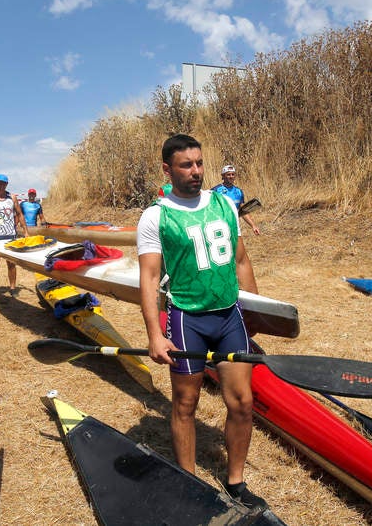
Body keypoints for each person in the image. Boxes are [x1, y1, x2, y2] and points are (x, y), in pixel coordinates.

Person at [138, 134, 267, 511]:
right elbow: (149, 278)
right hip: (186, 319)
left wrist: (255, 311)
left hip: (229, 316)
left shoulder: (225, 204)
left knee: (242, 402)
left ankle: (236, 482)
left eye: (199, 163)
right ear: (167, 169)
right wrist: (154, 334)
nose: (195, 171)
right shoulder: (156, 216)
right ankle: (189, 483)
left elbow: (241, 260)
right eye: (186, 165)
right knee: (185, 403)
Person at [211, 165, 260, 235]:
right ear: (223, 176)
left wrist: (253, 226)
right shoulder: (215, 190)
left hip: (234, 225)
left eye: (233, 174)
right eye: (228, 174)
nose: (231, 176)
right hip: (219, 226)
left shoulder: (239, 191)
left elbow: (243, 211)